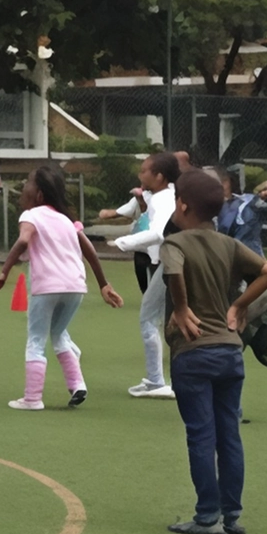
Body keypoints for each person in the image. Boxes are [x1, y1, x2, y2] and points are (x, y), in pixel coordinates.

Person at [158, 170, 267, 534]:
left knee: (200, 435)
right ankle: (232, 514)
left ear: (182, 205)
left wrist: (180, 307)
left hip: (193, 353)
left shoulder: (174, 243)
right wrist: (239, 305)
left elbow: (174, 270)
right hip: (230, 351)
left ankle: (207, 516)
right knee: (229, 434)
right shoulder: (226, 243)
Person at [0, 165, 123, 410]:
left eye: (29, 183)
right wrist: (103, 284)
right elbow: (89, 250)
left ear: (40, 195)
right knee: (59, 333)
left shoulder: (31, 216)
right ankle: (77, 384)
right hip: (75, 287)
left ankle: (32, 398)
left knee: (36, 338)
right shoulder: (67, 220)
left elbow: (23, 240)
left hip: (47, 287)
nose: (24, 187)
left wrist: (5, 270)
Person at [111, 152, 182, 399]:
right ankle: (159, 380)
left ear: (159, 176)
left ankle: (159, 382)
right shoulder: (160, 196)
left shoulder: (164, 199)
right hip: (171, 263)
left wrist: (123, 242)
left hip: (172, 265)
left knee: (149, 318)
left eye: (144, 170)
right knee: (162, 319)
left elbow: (159, 233)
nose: (140, 175)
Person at [215, 169, 267, 368]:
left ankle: (257, 342)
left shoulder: (247, 203)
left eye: (219, 181)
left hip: (255, 275)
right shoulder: (199, 209)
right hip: (226, 278)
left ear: (229, 183)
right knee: (231, 334)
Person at [99, 188, 152, 293]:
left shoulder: (167, 197)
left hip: (159, 244)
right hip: (142, 246)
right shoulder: (138, 200)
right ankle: (147, 294)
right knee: (142, 266)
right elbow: (108, 214)